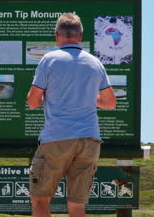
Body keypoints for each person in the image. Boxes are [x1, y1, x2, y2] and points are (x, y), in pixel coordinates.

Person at [27, 13, 117, 217]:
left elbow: (32, 102)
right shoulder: (95, 63)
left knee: (40, 199)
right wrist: (86, 97)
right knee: (77, 206)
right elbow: (110, 103)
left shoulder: (49, 60)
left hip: (56, 138)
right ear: (80, 35)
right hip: (89, 139)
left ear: (57, 35)